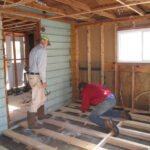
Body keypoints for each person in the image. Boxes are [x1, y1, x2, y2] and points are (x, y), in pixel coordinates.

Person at [27, 35, 50, 129]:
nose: (47, 45)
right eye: (47, 43)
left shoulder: (33, 50)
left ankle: (41, 115)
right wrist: (44, 81)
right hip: (37, 77)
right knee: (36, 99)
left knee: (42, 97)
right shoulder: (42, 51)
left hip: (32, 76)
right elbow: (41, 67)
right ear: (43, 41)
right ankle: (32, 124)